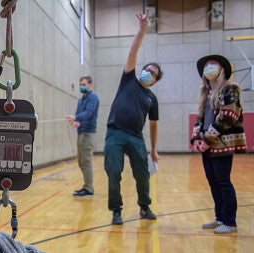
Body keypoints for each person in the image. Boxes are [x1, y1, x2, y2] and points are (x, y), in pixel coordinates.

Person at [104, 11, 163, 225]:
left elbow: (154, 126)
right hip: (115, 133)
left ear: (155, 81)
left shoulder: (152, 98)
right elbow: (132, 52)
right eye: (147, 68)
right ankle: (116, 211)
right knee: (113, 171)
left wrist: (154, 149)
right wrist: (141, 31)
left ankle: (145, 207)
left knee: (143, 174)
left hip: (137, 138)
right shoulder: (129, 79)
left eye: (153, 72)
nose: (148, 72)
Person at [190, 54, 247, 234]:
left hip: (222, 145)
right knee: (213, 183)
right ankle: (220, 217)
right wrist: (197, 139)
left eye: (213, 64)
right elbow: (199, 119)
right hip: (207, 146)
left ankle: (230, 222)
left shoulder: (230, 89)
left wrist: (207, 139)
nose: (209, 67)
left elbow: (228, 117)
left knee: (223, 182)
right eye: (206, 65)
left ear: (222, 69)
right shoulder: (206, 94)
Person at [66, 76, 100, 197]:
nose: (82, 86)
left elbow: (88, 113)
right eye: (80, 84)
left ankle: (89, 189)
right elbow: (79, 116)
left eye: (84, 84)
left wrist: (76, 118)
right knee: (81, 161)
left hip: (88, 133)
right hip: (80, 132)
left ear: (90, 85)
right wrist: (76, 122)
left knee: (86, 161)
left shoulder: (93, 97)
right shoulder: (80, 100)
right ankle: (86, 186)